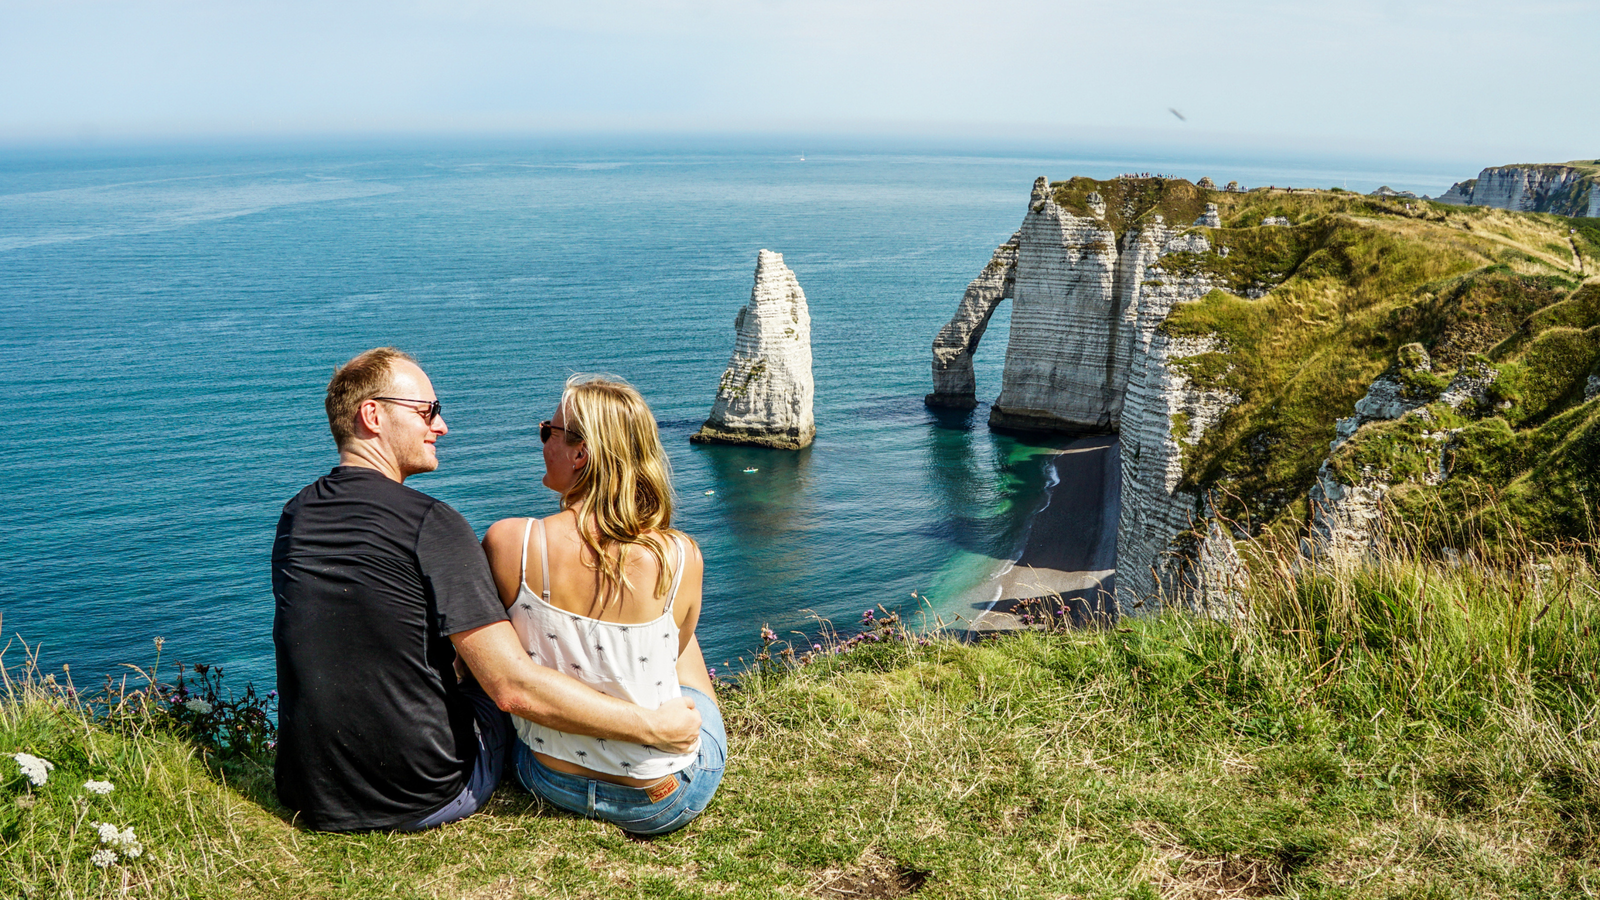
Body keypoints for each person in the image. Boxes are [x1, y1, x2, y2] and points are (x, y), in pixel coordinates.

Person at [272, 349, 701, 833]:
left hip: (309, 791)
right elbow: (511, 688)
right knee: (501, 666)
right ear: (372, 415)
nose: (442, 426)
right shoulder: (431, 525)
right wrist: (655, 728)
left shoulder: (296, 515)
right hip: (424, 792)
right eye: (427, 411)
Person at [482, 374, 725, 836]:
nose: (542, 443)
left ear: (581, 454)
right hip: (661, 799)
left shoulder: (511, 540)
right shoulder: (680, 554)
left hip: (549, 780)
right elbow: (676, 652)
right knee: (683, 664)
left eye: (547, 432)